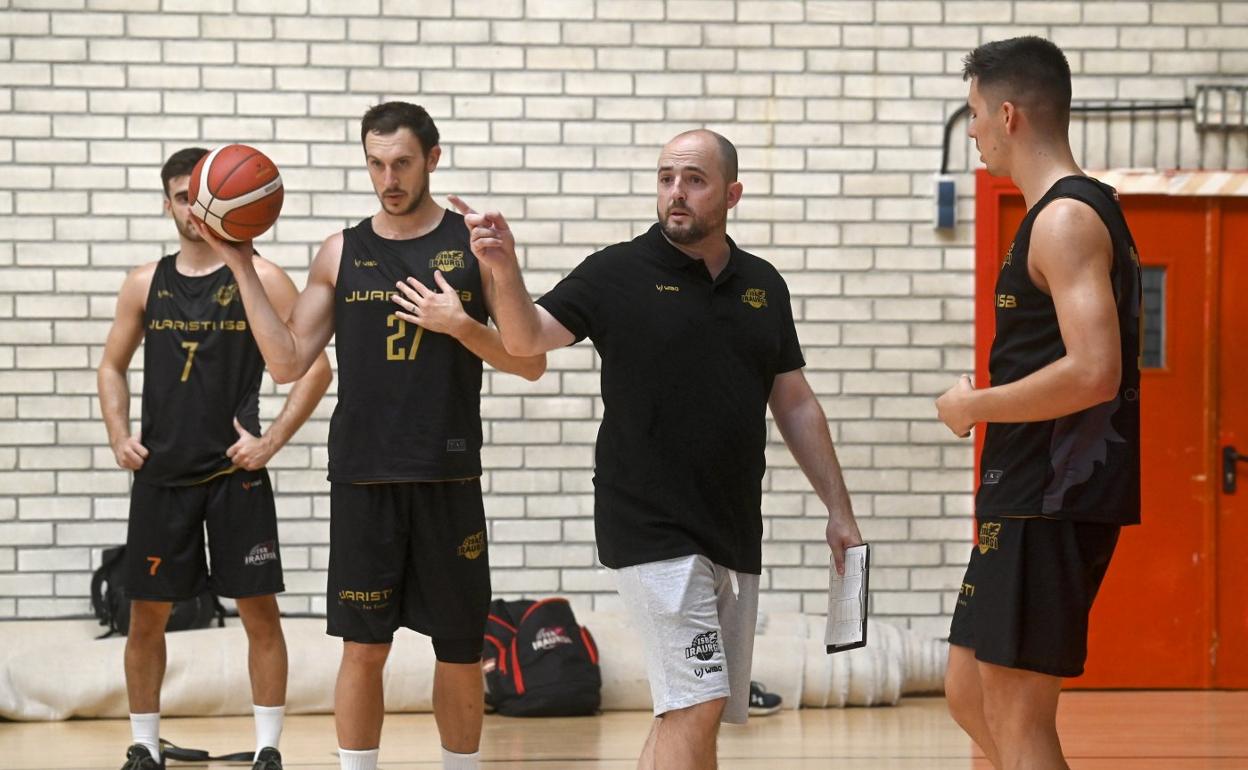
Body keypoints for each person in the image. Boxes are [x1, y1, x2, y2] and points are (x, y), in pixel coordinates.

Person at [449, 128, 862, 770]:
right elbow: (526, 339)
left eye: (694, 180)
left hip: (731, 527)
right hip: (648, 525)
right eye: (667, 178)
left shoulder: (763, 285)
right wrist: (503, 266)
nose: (676, 192)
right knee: (698, 701)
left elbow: (796, 403)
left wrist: (839, 509)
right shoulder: (617, 271)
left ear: (732, 194)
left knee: (694, 709)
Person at [192, 102, 545, 770]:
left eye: (402, 163)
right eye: (376, 163)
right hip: (363, 477)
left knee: (459, 649)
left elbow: (530, 362)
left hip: (447, 475)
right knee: (362, 648)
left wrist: (462, 325)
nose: (388, 178)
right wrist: (239, 263)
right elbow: (287, 362)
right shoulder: (341, 251)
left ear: (433, 159)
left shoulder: (475, 245)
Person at [936, 37, 1142, 770]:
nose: (974, 131)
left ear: (1009, 115)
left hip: (1050, 499)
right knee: (968, 691)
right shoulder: (1054, 216)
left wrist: (976, 406)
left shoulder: (1065, 219)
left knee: (1017, 715)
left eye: (975, 114)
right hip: (1021, 494)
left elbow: (1094, 372)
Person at [98, 147, 334, 770]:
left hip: (236, 475)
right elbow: (111, 366)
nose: (193, 208)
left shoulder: (264, 277)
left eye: (200, 196)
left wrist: (271, 439)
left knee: (260, 612)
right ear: (168, 204)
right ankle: (144, 745)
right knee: (145, 617)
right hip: (163, 477)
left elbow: (315, 368)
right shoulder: (145, 283)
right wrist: (119, 435)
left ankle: (267, 749)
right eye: (182, 197)